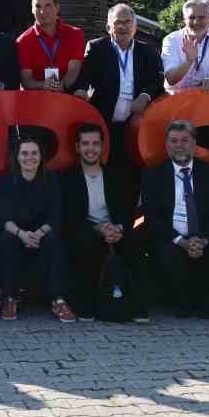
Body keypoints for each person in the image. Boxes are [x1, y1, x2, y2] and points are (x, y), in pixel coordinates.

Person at [82, 2, 165, 232]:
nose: (123, 27)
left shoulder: (148, 51)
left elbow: (157, 81)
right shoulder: (96, 48)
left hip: (135, 129)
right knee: (109, 181)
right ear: (109, 26)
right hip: (105, 127)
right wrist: (80, 91)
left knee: (131, 183)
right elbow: (84, 78)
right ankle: (104, 230)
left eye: (128, 22)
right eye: (118, 22)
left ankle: (126, 232)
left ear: (135, 26)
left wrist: (146, 96)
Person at [140, 120, 209, 318]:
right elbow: (152, 215)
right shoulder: (153, 175)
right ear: (166, 145)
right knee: (165, 252)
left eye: (185, 140)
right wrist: (181, 241)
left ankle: (205, 302)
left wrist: (204, 239)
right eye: (174, 141)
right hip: (171, 237)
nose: (179, 145)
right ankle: (181, 302)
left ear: (194, 144)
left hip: (204, 236)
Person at [59, 123, 148, 322]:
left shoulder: (117, 176)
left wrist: (119, 228)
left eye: (95, 143)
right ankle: (86, 305)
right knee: (85, 241)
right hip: (85, 230)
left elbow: (127, 210)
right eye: (86, 144)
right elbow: (68, 217)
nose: (91, 148)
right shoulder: (66, 179)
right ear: (77, 147)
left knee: (136, 244)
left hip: (114, 230)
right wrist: (97, 229)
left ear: (102, 147)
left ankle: (135, 305)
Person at [0, 134, 77, 323]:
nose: (30, 158)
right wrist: (22, 235)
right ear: (17, 157)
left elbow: (55, 215)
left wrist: (38, 234)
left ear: (41, 156)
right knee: (6, 241)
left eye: (34, 153)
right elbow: (3, 217)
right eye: (25, 153)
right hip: (16, 233)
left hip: (42, 233)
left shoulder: (51, 179)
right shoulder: (7, 180)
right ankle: (10, 298)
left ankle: (58, 300)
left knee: (54, 242)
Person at [16, 0, 85, 93]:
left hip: (67, 98)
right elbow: (26, 80)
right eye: (38, 6)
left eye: (48, 5)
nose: (43, 11)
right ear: (32, 9)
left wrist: (62, 86)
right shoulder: (23, 41)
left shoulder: (75, 34)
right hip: (37, 101)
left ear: (57, 7)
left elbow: (74, 70)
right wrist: (43, 85)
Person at [161, 0, 209, 96]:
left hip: (206, 96)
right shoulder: (170, 40)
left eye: (201, 17)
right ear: (184, 19)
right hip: (175, 97)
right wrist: (189, 61)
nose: (196, 22)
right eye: (191, 17)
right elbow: (171, 79)